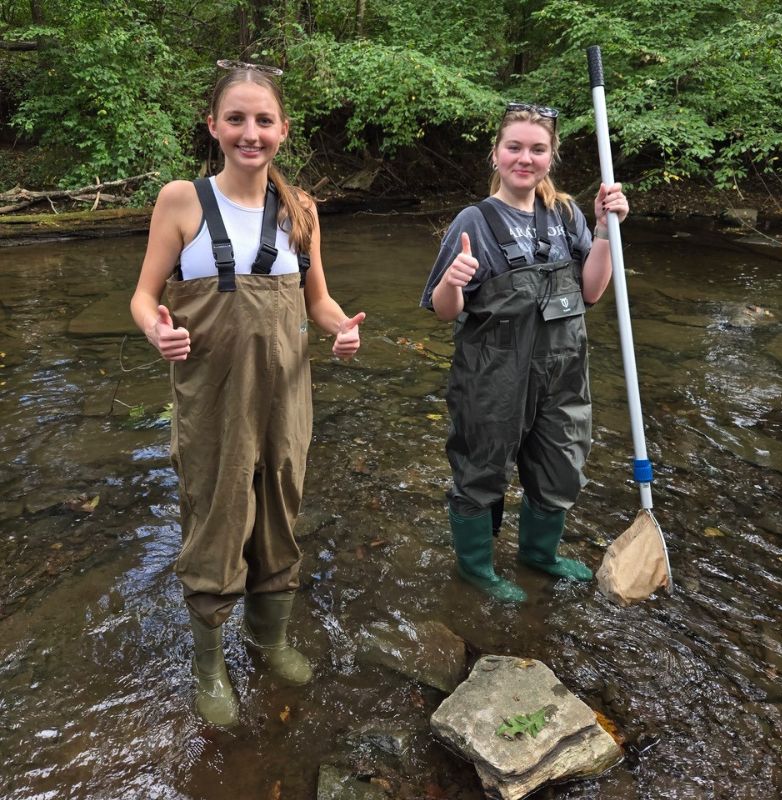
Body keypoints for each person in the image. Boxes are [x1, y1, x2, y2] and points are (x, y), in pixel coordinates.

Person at [131, 62, 365, 726]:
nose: (250, 132)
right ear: (213, 125)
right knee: (215, 521)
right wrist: (158, 331)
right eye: (236, 118)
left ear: (283, 130)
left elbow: (318, 303)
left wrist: (341, 330)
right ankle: (210, 668)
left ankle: (271, 638)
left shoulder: (302, 211)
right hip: (211, 400)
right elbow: (145, 297)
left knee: (279, 514)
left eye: (263, 120)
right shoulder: (182, 200)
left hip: (285, 400)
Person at [420, 102, 628, 604]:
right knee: (481, 470)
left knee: (561, 462)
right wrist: (453, 281)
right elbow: (445, 311)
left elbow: (593, 291)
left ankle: (539, 554)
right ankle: (475, 569)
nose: (524, 158)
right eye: (514, 147)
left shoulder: (566, 214)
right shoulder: (475, 220)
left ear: (550, 157)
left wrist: (604, 229)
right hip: (492, 375)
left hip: (563, 372)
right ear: (495, 154)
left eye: (537, 149)